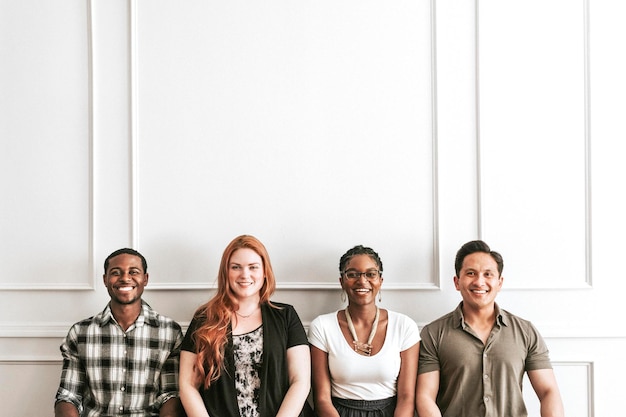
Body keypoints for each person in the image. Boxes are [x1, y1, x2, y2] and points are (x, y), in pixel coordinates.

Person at [416, 240, 565, 417]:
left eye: (488, 274)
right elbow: (425, 397)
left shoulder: (525, 332)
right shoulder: (433, 333)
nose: (479, 282)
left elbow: (549, 392)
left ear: (499, 283)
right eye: (471, 273)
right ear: (457, 282)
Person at [179, 235, 311, 417]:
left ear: (265, 271)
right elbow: (187, 385)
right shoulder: (205, 318)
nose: (245, 274)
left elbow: (300, 382)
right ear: (226, 272)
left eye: (253, 267)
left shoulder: (286, 316)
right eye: (236, 267)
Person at [54, 248, 185, 417]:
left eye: (133, 272)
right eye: (116, 272)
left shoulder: (169, 332)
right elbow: (69, 396)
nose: (125, 278)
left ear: (145, 279)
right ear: (105, 279)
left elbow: (170, 395)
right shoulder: (80, 333)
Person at [308, 245, 420, 417]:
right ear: (342, 281)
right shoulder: (322, 326)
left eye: (370, 274)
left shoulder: (404, 326)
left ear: (380, 280)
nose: (362, 281)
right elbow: (322, 399)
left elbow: (406, 398)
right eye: (352, 274)